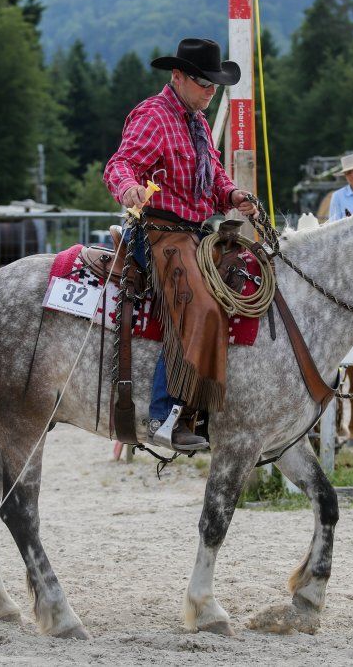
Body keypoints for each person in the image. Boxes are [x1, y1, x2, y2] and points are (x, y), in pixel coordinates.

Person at [104, 37, 256, 451]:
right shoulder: (154, 115)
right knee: (201, 304)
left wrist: (234, 196)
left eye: (214, 85)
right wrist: (130, 187)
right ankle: (165, 414)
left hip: (193, 232)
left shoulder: (199, 122)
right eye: (204, 83)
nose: (211, 91)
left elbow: (217, 177)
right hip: (158, 233)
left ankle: (203, 406)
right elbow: (119, 164)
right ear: (177, 77)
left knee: (238, 285)